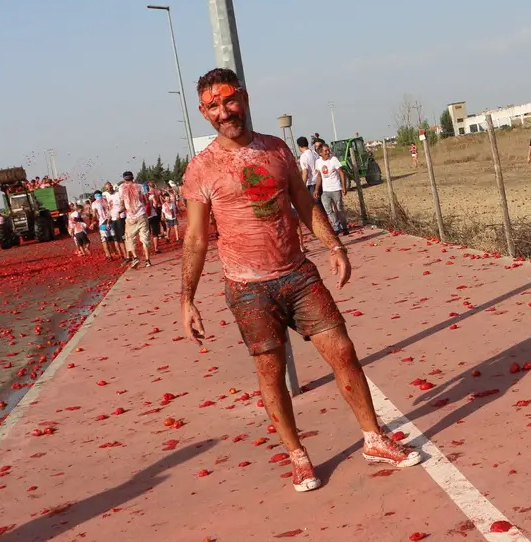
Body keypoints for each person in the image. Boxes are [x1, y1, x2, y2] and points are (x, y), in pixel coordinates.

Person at [180, 68, 418, 494]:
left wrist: (335, 247)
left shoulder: (276, 150)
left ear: (245, 98)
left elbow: (305, 203)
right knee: (270, 373)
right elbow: (196, 237)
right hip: (247, 287)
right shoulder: (199, 169)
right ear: (202, 112)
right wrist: (187, 298)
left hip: (297, 275)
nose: (223, 111)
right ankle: (298, 456)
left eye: (229, 100)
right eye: (212, 106)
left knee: (342, 351)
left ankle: (374, 439)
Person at [119, 171, 152, 268]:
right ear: (133, 178)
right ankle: (147, 260)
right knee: (145, 238)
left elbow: (121, 204)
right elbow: (146, 201)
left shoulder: (121, 188)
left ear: (124, 179)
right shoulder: (140, 186)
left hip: (130, 217)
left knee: (130, 238)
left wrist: (120, 211)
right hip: (141, 215)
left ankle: (135, 257)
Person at [314, 141, 348, 234]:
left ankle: (344, 227)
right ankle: (336, 226)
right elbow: (319, 176)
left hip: (336, 188)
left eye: (328, 150)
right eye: (325, 151)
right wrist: (316, 189)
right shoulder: (318, 162)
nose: (328, 152)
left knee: (339, 209)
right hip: (325, 190)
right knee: (328, 209)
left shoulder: (334, 159)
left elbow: (341, 172)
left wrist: (343, 187)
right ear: (320, 153)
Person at [105, 182, 128, 260]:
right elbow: (110, 210)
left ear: (112, 187)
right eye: (107, 189)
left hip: (120, 218)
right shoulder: (108, 197)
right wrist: (108, 222)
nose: (109, 190)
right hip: (113, 219)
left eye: (110, 188)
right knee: (118, 239)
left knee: (124, 238)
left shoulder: (118, 194)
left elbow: (124, 206)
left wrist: (119, 212)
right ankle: (125, 256)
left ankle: (129, 255)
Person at [90, 191, 115, 259]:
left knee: (104, 240)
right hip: (111, 221)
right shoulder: (106, 200)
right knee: (112, 239)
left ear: (95, 196)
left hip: (102, 223)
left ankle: (108, 255)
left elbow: (94, 215)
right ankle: (115, 252)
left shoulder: (94, 203)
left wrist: (92, 222)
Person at [146, 188, 163, 253]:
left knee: (146, 234)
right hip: (153, 216)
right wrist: (155, 210)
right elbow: (155, 203)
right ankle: (156, 248)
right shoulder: (150, 195)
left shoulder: (139, 197)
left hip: (145, 217)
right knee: (155, 233)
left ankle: (147, 249)